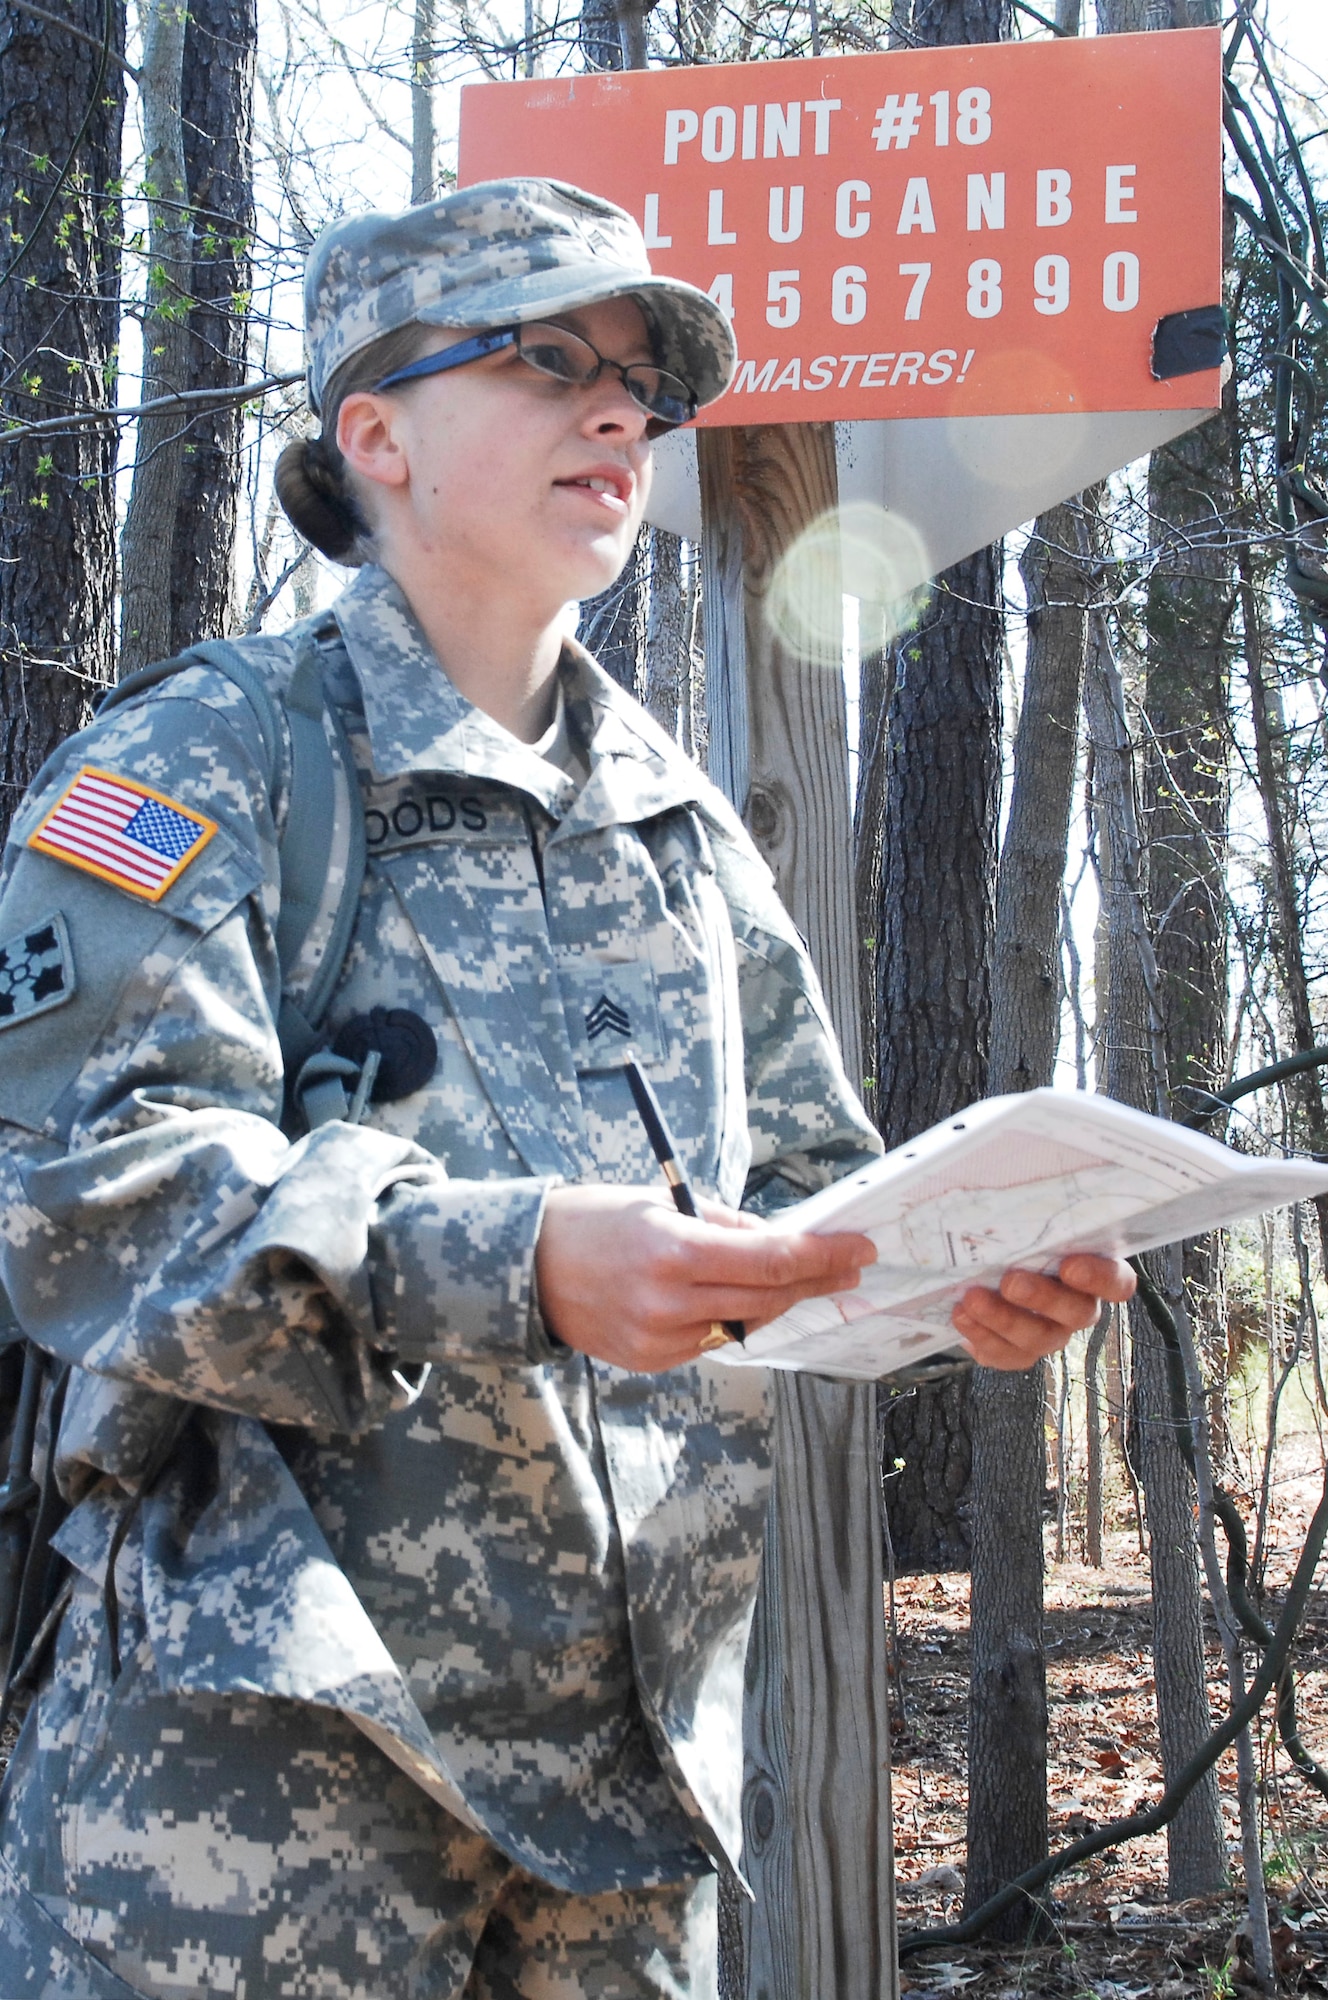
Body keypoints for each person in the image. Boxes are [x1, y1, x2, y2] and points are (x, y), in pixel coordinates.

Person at [0, 178, 1133, 1999]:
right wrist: (513, 1261)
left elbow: (811, 1197)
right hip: (257, 1795)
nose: (619, 414)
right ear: (373, 433)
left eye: (636, 382)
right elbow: (96, 1194)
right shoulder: (200, 760)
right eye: (548, 362)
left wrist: (958, 1282)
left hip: (626, 1802)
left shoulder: (680, 830)